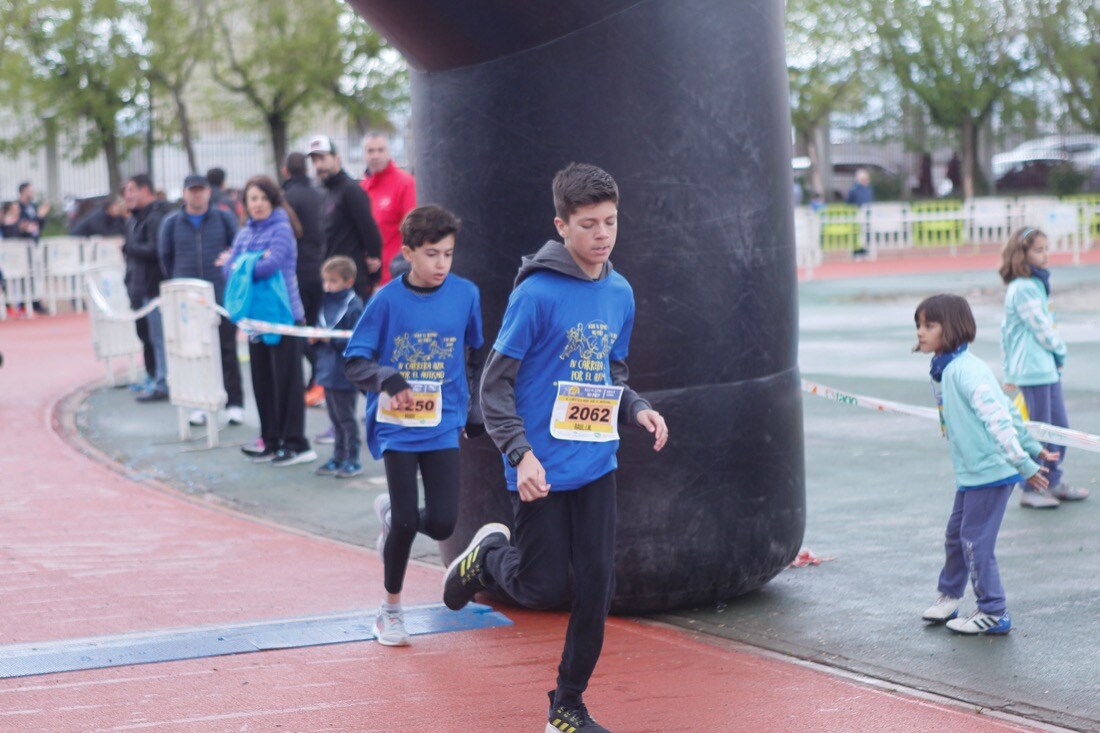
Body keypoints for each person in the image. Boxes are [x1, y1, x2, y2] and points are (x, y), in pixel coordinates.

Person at [443, 164, 668, 732]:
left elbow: (609, 369)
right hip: (539, 466)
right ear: (561, 227)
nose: (602, 235)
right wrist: (520, 455)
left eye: (610, 222)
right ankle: (487, 556)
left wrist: (636, 406)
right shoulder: (537, 294)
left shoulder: (620, 292)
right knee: (540, 587)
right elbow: (494, 385)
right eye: (588, 224)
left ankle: (566, 706)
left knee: (597, 587)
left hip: (596, 463)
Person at [344, 205, 484, 647]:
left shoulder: (466, 295)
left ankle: (390, 517)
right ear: (407, 253)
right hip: (397, 426)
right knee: (407, 519)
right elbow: (355, 361)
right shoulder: (386, 300)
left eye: (448, 254)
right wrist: (387, 378)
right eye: (431, 254)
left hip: (442, 422)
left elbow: (477, 353)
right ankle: (389, 611)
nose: (441, 264)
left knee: (442, 523)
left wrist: (477, 409)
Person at [915, 294, 1056, 636]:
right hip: (972, 474)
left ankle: (993, 611)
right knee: (956, 536)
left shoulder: (966, 371)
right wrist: (1033, 446)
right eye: (918, 325)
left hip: (992, 473)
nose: (921, 332)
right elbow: (1008, 407)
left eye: (929, 325)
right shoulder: (946, 368)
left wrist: (1024, 461)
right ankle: (949, 596)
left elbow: (999, 419)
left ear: (952, 329)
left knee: (976, 542)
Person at [219, 175, 316, 467]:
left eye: (262, 198)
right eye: (252, 199)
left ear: (272, 199)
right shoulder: (244, 233)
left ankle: (296, 443)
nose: (258, 204)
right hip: (255, 321)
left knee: (287, 382)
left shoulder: (282, 229)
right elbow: (228, 270)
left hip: (285, 318)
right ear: (245, 204)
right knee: (262, 382)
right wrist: (249, 260)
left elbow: (270, 266)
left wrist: (242, 263)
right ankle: (271, 439)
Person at [998, 227, 1087, 508]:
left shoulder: (1036, 283)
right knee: (1039, 432)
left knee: (1059, 427)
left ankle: (1053, 481)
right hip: (1033, 369)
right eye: (1038, 249)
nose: (1046, 254)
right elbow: (1038, 327)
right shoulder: (1023, 287)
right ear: (1021, 254)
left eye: (1046, 248)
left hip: (1045, 367)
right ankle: (1032, 487)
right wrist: (1059, 350)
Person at [158, 173, 245, 426]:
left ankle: (234, 402)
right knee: (194, 352)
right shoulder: (172, 223)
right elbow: (166, 257)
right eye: (192, 190)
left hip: (220, 297)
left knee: (227, 351)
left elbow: (236, 251)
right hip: (188, 302)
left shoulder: (224, 218)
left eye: (201, 190)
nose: (197, 194)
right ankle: (200, 403)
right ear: (185, 193)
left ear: (208, 192)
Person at [306, 135, 383, 300]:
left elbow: (369, 230)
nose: (318, 165)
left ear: (336, 158)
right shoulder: (327, 192)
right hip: (333, 281)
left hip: (352, 282)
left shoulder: (350, 190)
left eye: (322, 158)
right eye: (314, 161)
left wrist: (373, 266)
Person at [281, 152, 328, 409]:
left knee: (299, 331)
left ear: (285, 170)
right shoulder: (320, 194)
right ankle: (318, 381)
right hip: (320, 268)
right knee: (315, 328)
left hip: (298, 272)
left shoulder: (288, 198)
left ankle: (316, 380)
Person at [310, 256, 364, 479]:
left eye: (333, 281)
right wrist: (315, 340)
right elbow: (322, 328)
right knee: (334, 418)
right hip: (327, 370)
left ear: (348, 281)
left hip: (345, 372)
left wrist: (327, 340)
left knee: (346, 418)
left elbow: (356, 341)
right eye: (326, 281)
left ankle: (353, 459)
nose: (327, 286)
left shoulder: (355, 306)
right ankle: (338, 457)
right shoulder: (325, 301)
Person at [122, 174, 173, 401]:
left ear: (146, 190)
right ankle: (155, 377)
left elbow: (156, 250)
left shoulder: (155, 217)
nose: (128, 196)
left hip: (153, 288)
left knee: (158, 338)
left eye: (132, 190)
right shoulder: (135, 219)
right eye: (126, 191)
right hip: (140, 288)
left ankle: (162, 381)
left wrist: (129, 248)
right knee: (147, 336)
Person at [360, 132, 416, 287]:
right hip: (369, 277)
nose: (375, 155)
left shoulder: (405, 184)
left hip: (395, 276)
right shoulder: (363, 187)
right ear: (364, 154)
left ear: (389, 152)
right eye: (370, 151)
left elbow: (413, 231)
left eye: (380, 150)